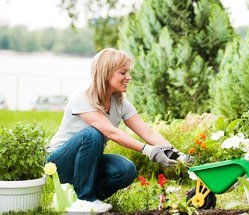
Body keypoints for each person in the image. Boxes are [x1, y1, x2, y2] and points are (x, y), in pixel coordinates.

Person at [46, 48, 185, 212]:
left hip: (88, 163)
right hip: (59, 163)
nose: (129, 77)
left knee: (126, 169)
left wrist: (178, 154)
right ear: (106, 73)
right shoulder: (82, 97)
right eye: (123, 73)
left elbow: (148, 132)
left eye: (129, 72)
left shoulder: (120, 103)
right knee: (93, 133)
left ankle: (76, 200)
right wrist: (149, 151)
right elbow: (111, 132)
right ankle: (85, 199)